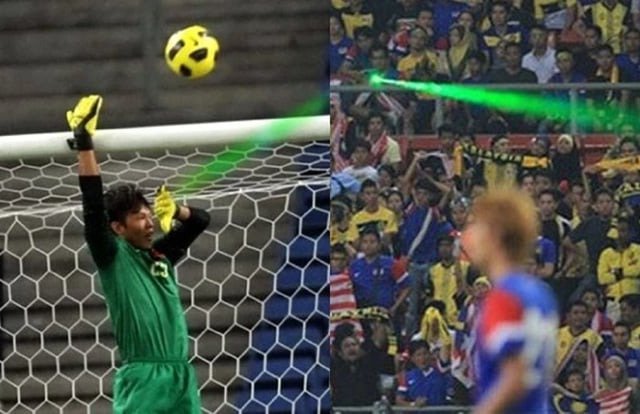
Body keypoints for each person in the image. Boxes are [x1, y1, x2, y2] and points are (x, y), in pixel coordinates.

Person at [66, 95, 210, 413]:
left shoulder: (160, 255)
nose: (149, 222)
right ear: (118, 227)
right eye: (139, 217)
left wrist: (178, 211)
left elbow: (200, 221)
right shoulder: (113, 255)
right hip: (144, 379)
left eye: (149, 214)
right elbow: (93, 207)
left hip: (181, 377)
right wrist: (84, 142)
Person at [463, 188, 559, 413]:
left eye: (476, 226)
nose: (467, 236)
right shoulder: (540, 293)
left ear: (495, 234)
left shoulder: (504, 297)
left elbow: (515, 376)